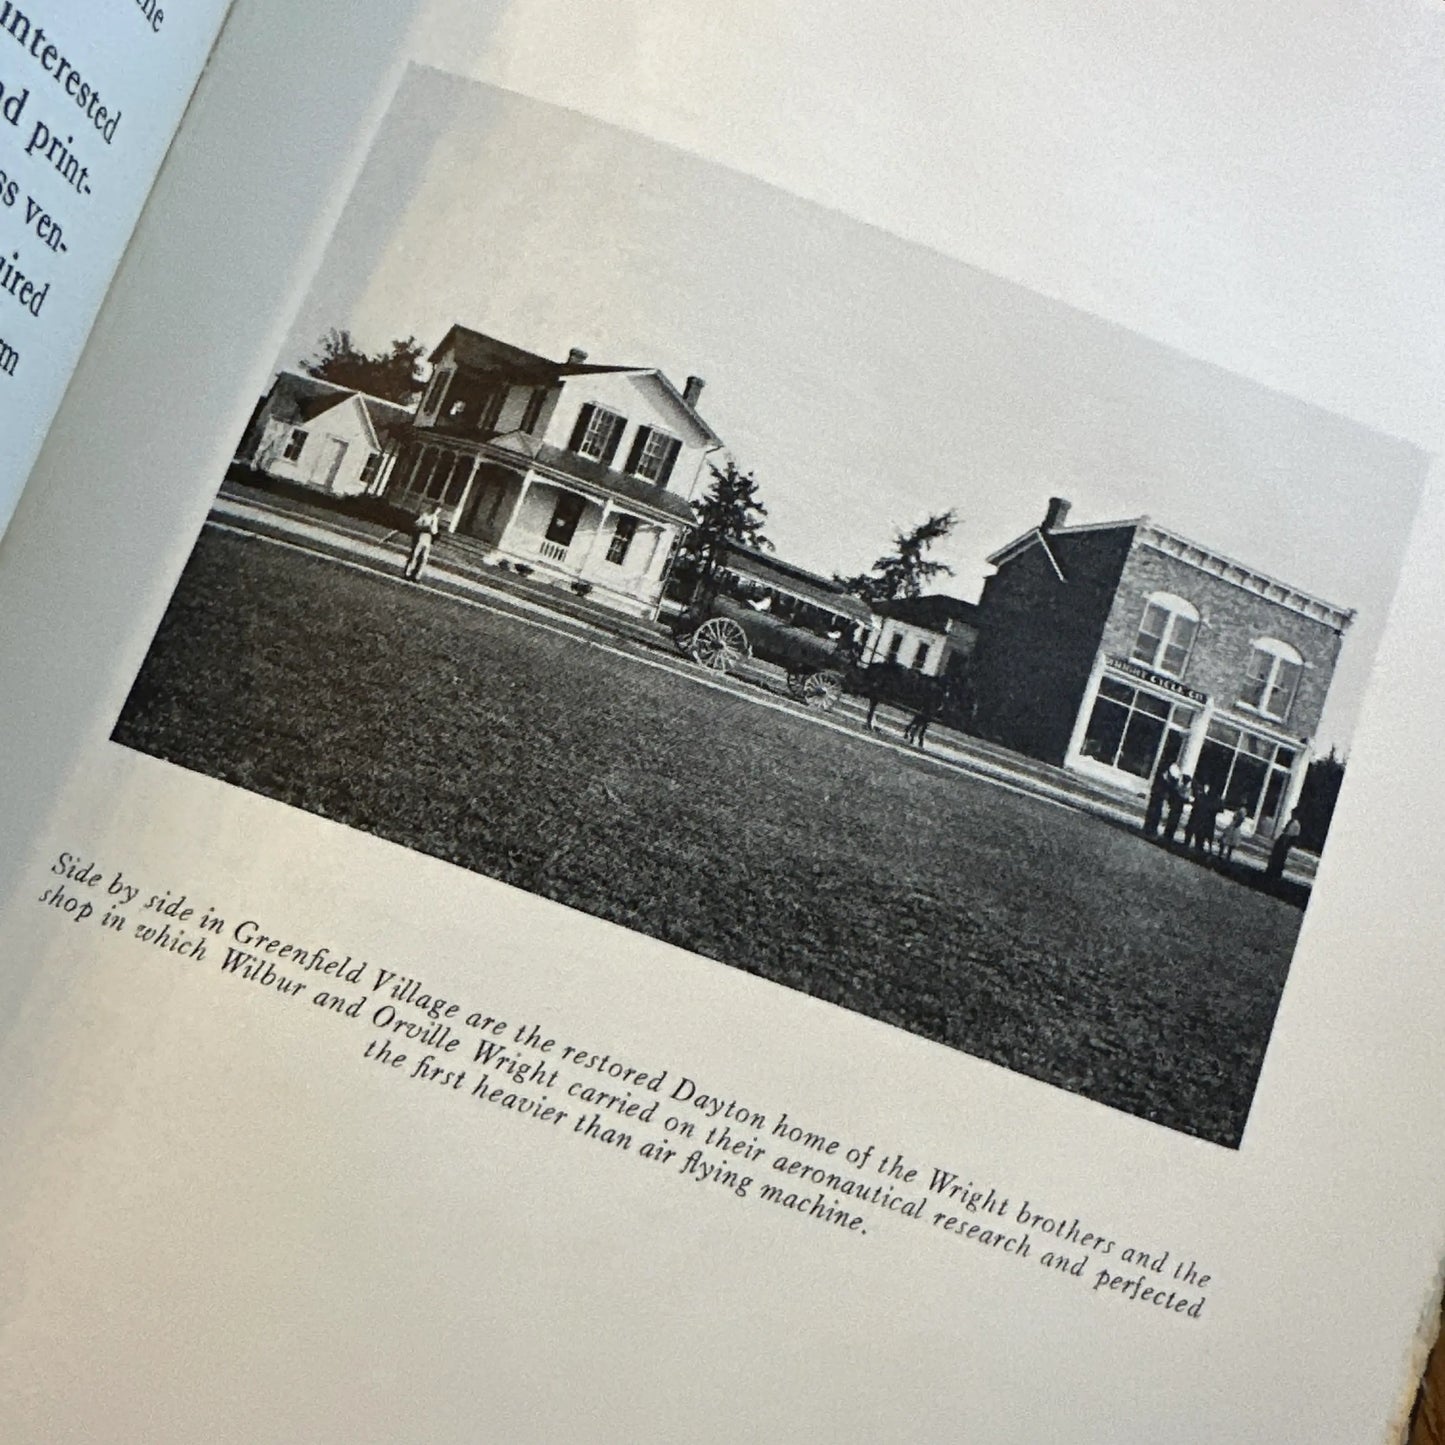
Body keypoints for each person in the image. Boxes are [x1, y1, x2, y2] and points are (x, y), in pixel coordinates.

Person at [404, 505, 441, 581]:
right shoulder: (431, 517)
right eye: (438, 509)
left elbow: (417, 524)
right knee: (420, 557)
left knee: (418, 556)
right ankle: (413, 574)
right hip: (424, 537)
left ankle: (412, 573)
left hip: (425, 538)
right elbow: (434, 531)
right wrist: (426, 527)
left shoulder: (429, 516)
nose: (438, 511)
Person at [1265, 811, 1302, 882]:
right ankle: (1270, 871)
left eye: (1294, 814)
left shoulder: (1296, 824)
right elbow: (1285, 830)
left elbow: (1294, 837)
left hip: (1285, 842)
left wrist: (1288, 845)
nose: (1292, 815)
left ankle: (1276, 874)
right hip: (1282, 840)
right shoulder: (1291, 821)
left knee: (1280, 859)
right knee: (1275, 857)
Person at [1162, 766, 1191, 844]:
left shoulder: (1180, 788)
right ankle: (1168, 836)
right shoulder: (1183, 789)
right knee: (1172, 822)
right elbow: (1184, 798)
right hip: (1177, 808)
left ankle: (1167, 835)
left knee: (1172, 821)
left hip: (1176, 807)